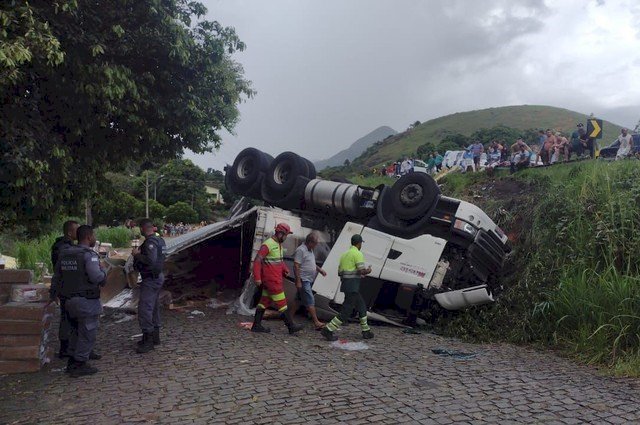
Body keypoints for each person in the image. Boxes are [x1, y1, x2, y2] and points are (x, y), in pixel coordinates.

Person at [53, 225, 105, 377]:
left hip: (68, 300)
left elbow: (57, 276)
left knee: (75, 331)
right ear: (89, 237)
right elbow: (97, 277)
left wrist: (53, 294)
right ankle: (80, 363)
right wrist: (104, 272)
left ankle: (72, 361)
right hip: (86, 300)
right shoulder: (89, 255)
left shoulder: (65, 254)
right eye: (93, 235)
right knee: (88, 332)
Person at [251, 223, 303, 334]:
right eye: (286, 235)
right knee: (282, 304)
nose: (286, 238)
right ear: (280, 234)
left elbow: (279, 260)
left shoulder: (278, 245)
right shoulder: (267, 245)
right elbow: (257, 261)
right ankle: (291, 326)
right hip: (272, 281)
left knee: (264, 302)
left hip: (274, 279)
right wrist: (257, 278)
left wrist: (284, 269)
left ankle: (256, 325)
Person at [321, 234, 373, 341]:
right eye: (361, 243)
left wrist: (354, 274)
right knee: (346, 312)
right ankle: (328, 330)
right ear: (359, 243)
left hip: (346, 285)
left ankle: (366, 331)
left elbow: (340, 273)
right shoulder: (357, 253)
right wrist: (368, 270)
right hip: (353, 286)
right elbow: (361, 270)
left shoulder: (344, 255)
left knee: (362, 306)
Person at [133, 218, 167, 353]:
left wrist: (137, 255)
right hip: (158, 276)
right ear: (153, 227)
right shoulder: (160, 240)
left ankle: (148, 339)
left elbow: (150, 261)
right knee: (153, 307)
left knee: (145, 308)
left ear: (142, 229)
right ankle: (155, 337)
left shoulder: (150, 242)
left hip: (151, 278)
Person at [49, 220, 79, 359]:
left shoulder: (65, 246)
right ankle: (65, 348)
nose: (78, 233)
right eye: (76, 230)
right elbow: (59, 270)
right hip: (66, 287)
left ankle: (70, 346)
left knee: (70, 317)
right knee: (67, 317)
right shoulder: (63, 248)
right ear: (69, 232)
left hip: (67, 286)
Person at [293, 232, 327, 330]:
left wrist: (320, 270)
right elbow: (296, 266)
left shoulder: (310, 250)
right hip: (304, 280)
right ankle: (316, 322)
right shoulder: (301, 250)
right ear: (310, 242)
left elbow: (311, 263)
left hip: (308, 279)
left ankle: (288, 317)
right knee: (310, 300)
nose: (316, 246)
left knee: (298, 301)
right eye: (315, 243)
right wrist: (298, 281)